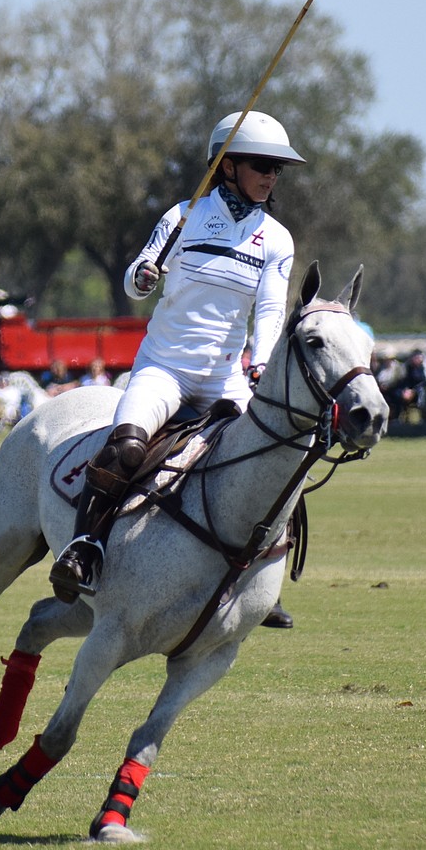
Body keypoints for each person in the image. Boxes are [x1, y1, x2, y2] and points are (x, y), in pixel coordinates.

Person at [49, 110, 304, 631]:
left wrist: (260, 361)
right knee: (125, 446)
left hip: (225, 377)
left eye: (278, 168)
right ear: (226, 165)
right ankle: (85, 547)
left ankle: (263, 578)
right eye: (262, 164)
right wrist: (143, 274)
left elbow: (272, 310)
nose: (272, 175)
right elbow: (134, 283)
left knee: (277, 453)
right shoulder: (182, 217)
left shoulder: (276, 238)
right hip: (164, 366)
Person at [385, 348, 426, 423]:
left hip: (424, 392)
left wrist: (414, 392)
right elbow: (402, 382)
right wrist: (405, 391)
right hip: (408, 392)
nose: (416, 360)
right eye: (415, 358)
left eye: (418, 358)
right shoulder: (407, 367)